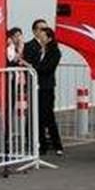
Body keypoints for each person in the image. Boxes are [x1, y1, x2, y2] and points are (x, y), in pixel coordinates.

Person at [32, 27, 63, 156]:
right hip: (38, 86)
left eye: (43, 35)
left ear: (49, 38)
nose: (40, 37)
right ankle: (42, 145)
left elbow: (48, 68)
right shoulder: (40, 50)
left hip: (47, 87)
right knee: (39, 117)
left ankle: (57, 145)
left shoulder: (55, 52)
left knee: (48, 116)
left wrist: (34, 67)